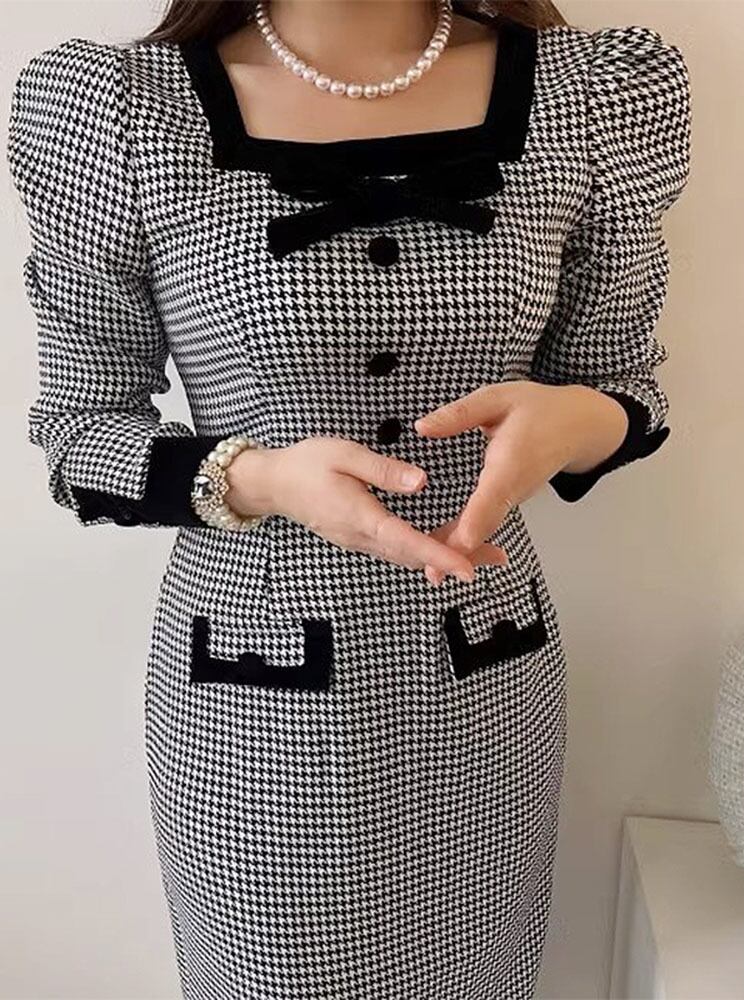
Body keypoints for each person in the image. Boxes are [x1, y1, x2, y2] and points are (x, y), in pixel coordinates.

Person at [6, 0, 692, 996]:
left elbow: (624, 387)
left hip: (485, 684)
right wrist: (258, 478)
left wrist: (571, 419)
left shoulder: (591, 99)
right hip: (252, 704)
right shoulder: (118, 115)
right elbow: (80, 430)